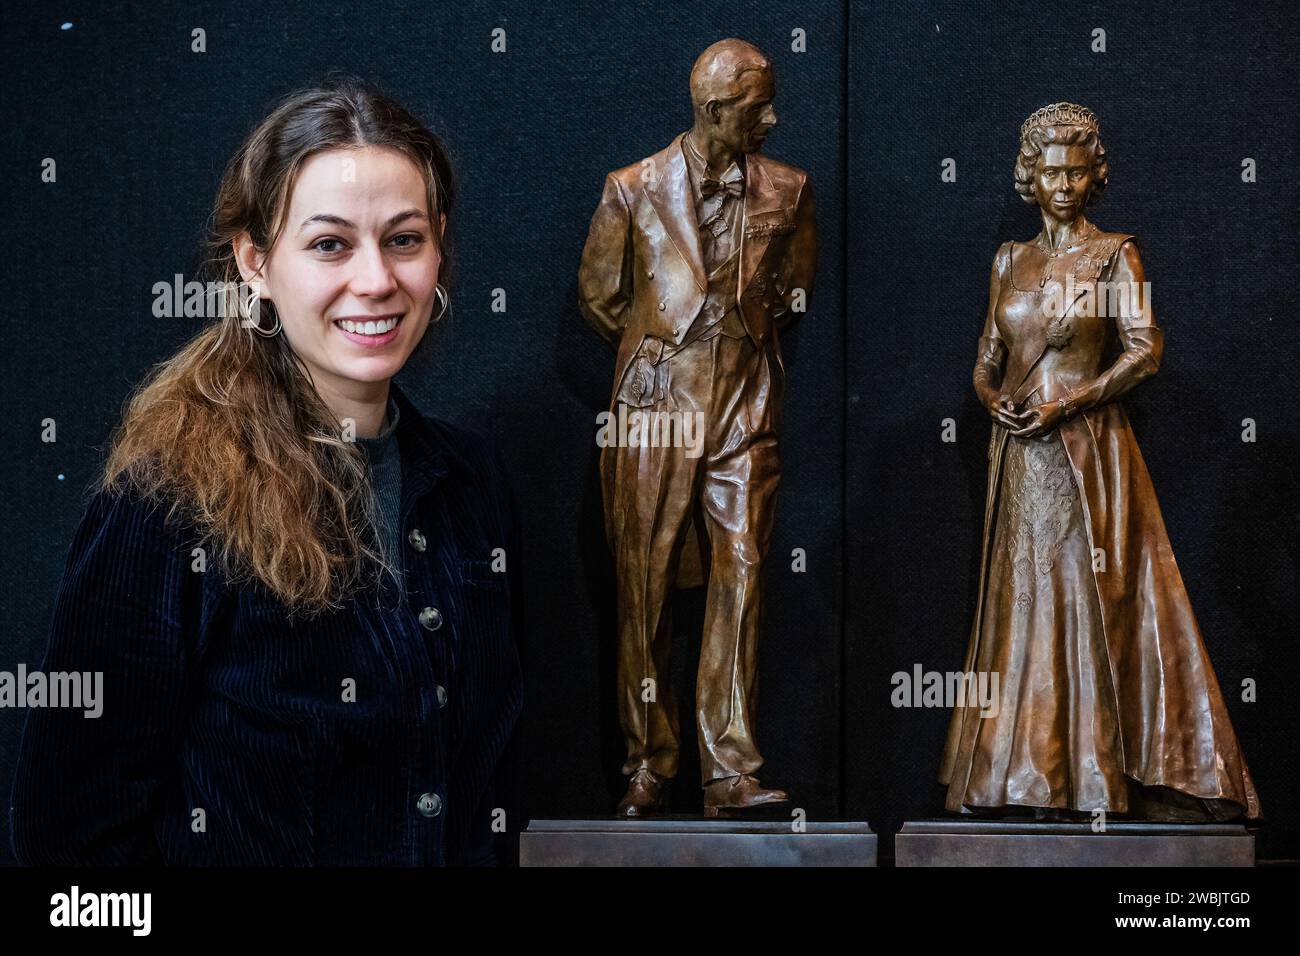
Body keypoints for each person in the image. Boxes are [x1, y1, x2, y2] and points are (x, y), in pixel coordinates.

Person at [10, 78, 524, 865]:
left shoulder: (472, 483)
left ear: (439, 247)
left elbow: (488, 784)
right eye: (329, 244)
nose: (376, 280)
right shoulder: (166, 500)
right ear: (256, 262)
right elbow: (66, 844)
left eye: (404, 238)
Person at [939, 103, 1260, 822]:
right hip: (1020, 454)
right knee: (1020, 603)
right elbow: (986, 360)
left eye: (1076, 173)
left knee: (1085, 601)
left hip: (1087, 453)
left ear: (1094, 178)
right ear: (1031, 176)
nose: (1062, 185)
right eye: (1050, 171)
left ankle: (1088, 774)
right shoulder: (1009, 261)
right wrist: (992, 399)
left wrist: (1072, 401)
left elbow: (1147, 351)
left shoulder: (1114, 256)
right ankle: (1014, 774)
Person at [578, 38, 817, 817]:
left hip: (747, 405)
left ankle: (731, 771)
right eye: (758, 108)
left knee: (742, 575)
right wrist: (668, 351)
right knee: (645, 589)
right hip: (654, 412)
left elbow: (793, 292)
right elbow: (599, 297)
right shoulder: (633, 187)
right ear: (715, 110)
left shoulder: (791, 187)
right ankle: (648, 761)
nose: (773, 119)